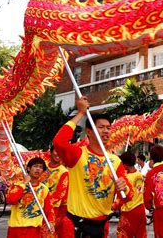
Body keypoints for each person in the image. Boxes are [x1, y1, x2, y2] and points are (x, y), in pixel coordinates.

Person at [53, 96, 132, 238]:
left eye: (108, 128)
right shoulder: (78, 154)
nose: (106, 131)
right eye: (101, 127)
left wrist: (124, 187)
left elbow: (127, 196)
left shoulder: (115, 161)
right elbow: (59, 142)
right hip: (77, 224)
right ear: (89, 131)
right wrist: (81, 114)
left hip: (101, 226)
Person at [6, 157, 54, 238]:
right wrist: (24, 184)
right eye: (35, 166)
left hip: (34, 230)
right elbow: (11, 200)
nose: (38, 169)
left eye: (41, 167)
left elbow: (49, 209)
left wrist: (51, 222)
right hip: (16, 229)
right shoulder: (17, 185)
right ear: (28, 168)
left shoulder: (44, 189)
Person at [41, 146, 71, 238]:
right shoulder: (43, 166)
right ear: (51, 152)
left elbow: (60, 193)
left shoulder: (64, 171)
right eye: (56, 151)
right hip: (39, 204)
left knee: (49, 232)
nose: (58, 154)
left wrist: (46, 202)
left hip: (54, 207)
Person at [116, 151, 147, 238]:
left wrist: (113, 207)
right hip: (141, 209)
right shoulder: (139, 174)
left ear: (124, 164)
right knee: (141, 235)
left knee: (123, 235)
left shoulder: (125, 178)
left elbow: (122, 197)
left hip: (129, 210)